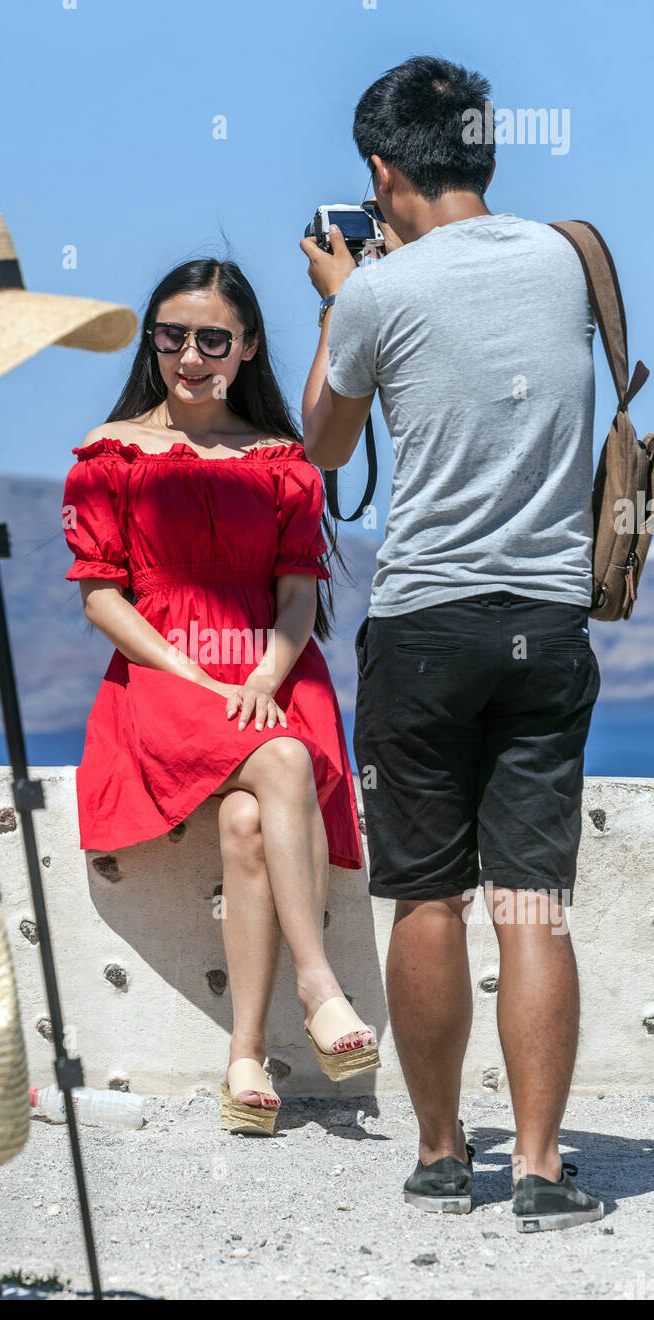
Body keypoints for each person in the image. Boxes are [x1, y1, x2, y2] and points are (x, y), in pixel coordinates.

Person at [300, 55, 605, 1231]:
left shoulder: (376, 294)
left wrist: (340, 293)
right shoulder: (568, 261)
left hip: (424, 623)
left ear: (381, 171)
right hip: (545, 620)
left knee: (426, 900)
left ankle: (439, 1155)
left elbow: (328, 449)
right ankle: (537, 1167)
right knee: (530, 901)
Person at [62, 257, 380, 1136]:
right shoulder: (110, 453)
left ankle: (244, 1056)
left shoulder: (284, 462)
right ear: (153, 342)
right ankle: (320, 988)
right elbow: (100, 595)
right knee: (282, 755)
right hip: (165, 674)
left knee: (249, 822)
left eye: (212, 339)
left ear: (245, 348)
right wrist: (198, 675)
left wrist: (264, 677)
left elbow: (296, 594)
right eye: (172, 337)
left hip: (273, 669)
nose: (190, 356)